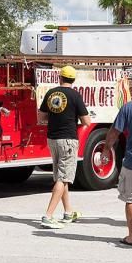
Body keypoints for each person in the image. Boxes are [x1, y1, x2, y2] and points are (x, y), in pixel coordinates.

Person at [38, 65, 91, 229]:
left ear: (60, 78)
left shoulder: (51, 93)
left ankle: (68, 212)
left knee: (62, 175)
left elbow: (41, 117)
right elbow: (86, 121)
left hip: (52, 139)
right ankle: (48, 216)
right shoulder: (75, 96)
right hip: (68, 139)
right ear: (73, 80)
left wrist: (56, 118)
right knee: (63, 177)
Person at [102, 98, 132, 246]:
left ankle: (131, 237)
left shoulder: (129, 108)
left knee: (131, 198)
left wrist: (105, 149)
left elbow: (114, 132)